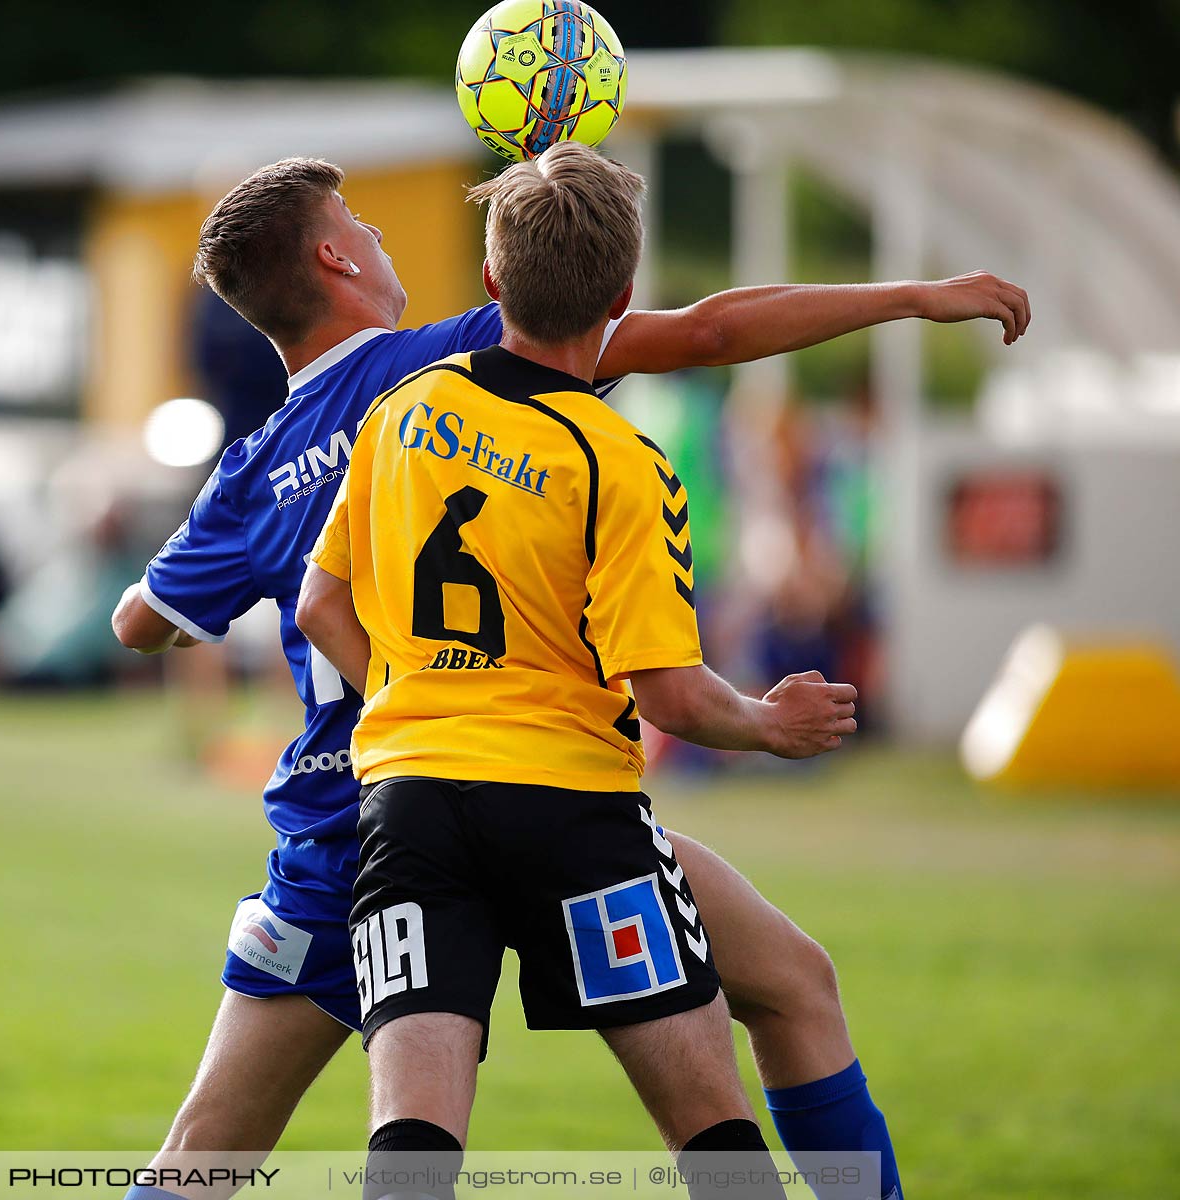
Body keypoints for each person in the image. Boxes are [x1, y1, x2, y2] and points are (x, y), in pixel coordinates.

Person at [112, 155, 1029, 1200]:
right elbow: (713, 332)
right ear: (333, 255)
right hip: (548, 791)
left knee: (214, 1155)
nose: (376, 232)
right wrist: (910, 296)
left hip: (368, 820)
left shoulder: (259, 467)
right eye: (359, 220)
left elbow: (143, 621)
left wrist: (256, 544)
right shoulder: (435, 367)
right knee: (755, 1047)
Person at [296, 141, 860, 1196]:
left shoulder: (401, 413)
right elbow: (670, 694)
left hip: (411, 806)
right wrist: (770, 724)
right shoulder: (622, 462)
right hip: (574, 821)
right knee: (714, 1136)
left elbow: (321, 601)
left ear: (492, 279)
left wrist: (417, 701)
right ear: (625, 295)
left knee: (412, 1144)